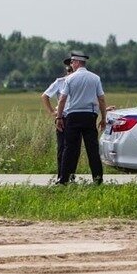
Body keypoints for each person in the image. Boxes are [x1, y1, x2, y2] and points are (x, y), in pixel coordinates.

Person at [55, 51, 108, 185]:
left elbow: (62, 100)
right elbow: (101, 99)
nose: (71, 65)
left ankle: (64, 179)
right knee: (92, 149)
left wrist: (59, 117)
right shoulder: (95, 78)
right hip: (90, 116)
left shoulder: (70, 79)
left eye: (72, 62)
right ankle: (97, 179)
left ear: (77, 62)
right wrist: (103, 118)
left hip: (73, 116)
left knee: (69, 148)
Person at [41, 60, 73, 182]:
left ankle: (71, 174)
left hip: (75, 117)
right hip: (63, 117)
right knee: (62, 147)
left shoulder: (80, 82)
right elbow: (45, 96)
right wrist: (52, 112)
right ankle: (61, 175)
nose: (69, 72)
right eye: (68, 70)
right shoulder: (60, 82)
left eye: (71, 70)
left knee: (73, 148)